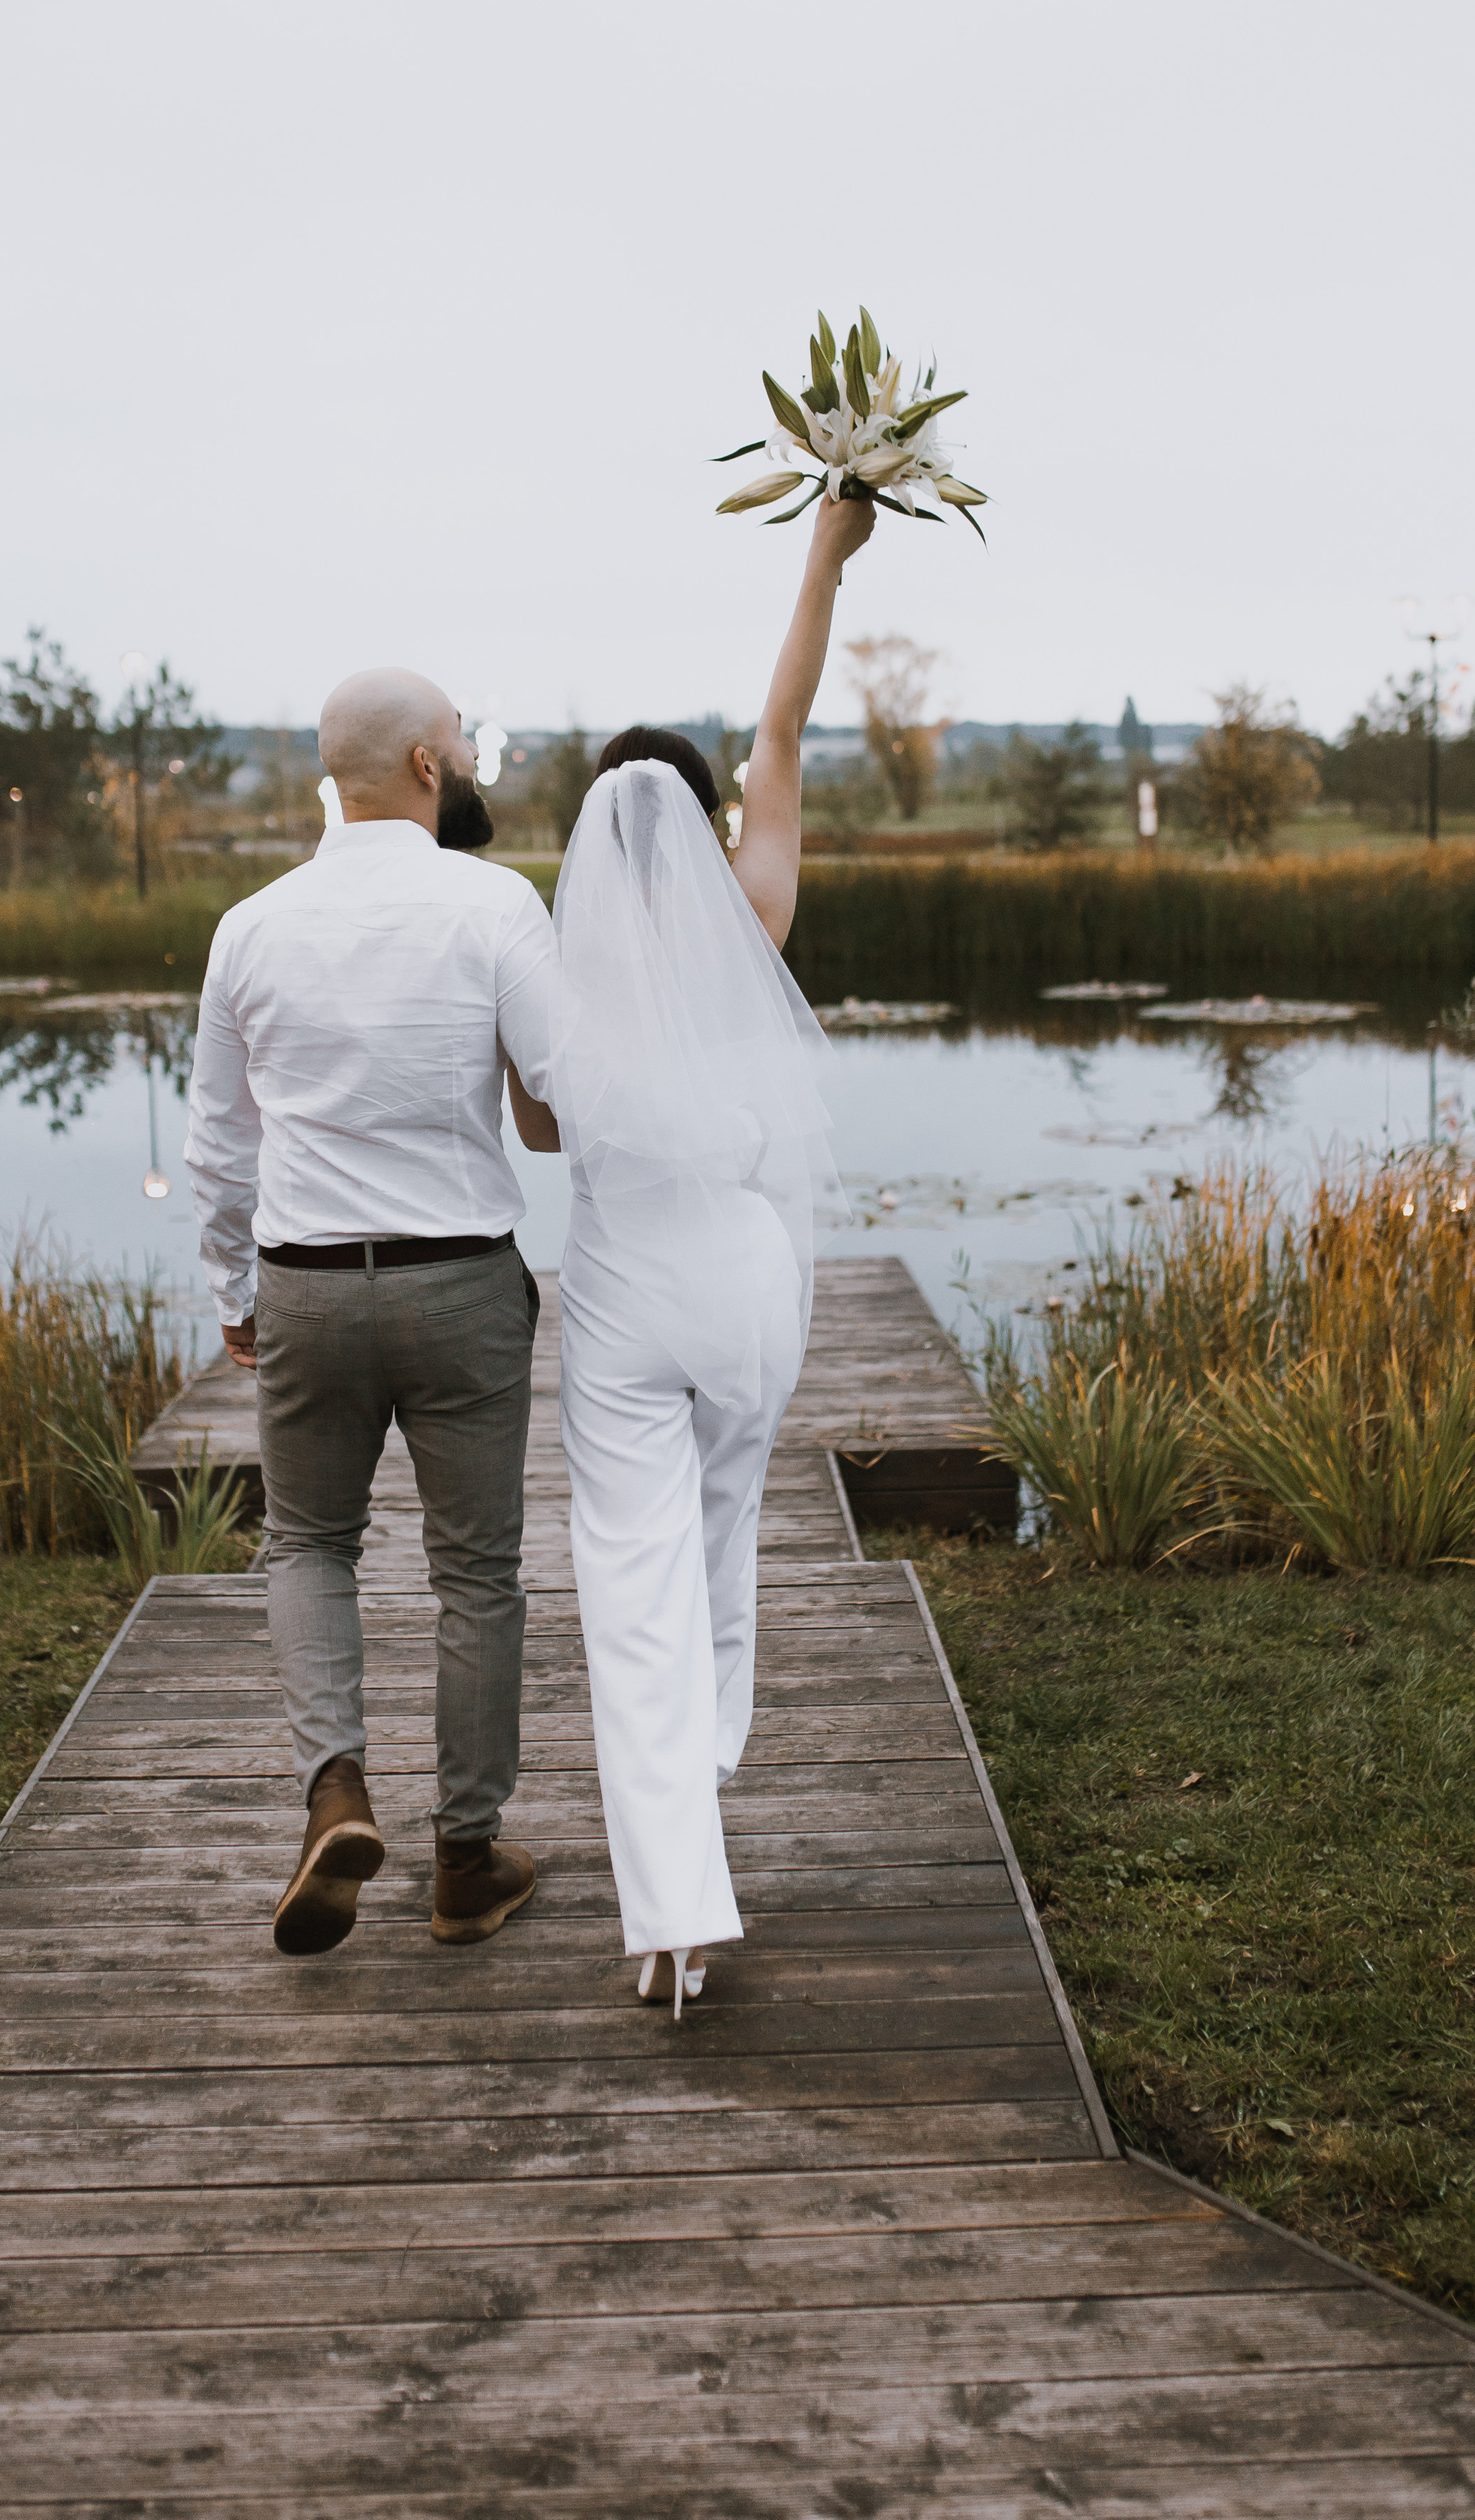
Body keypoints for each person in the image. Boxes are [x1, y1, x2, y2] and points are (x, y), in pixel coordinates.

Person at [510, 492, 874, 2015]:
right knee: (723, 1538)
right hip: (746, 1288)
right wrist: (825, 555)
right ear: (705, 819)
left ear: (592, 839)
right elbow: (782, 727)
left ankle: (672, 1914)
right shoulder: (751, 919)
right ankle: (710, 1765)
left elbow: (541, 1138)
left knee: (632, 1588)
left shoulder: (554, 972)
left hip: (624, 1295)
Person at [185, 669, 559, 1958]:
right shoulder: (496, 904)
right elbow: (563, 1091)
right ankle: (465, 1862)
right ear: (423, 765)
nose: (470, 762)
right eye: (460, 744)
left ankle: (337, 1794)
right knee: (477, 1576)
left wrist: (235, 1291)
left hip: (307, 1284)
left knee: (308, 1546)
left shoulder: (250, 928)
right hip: (461, 1283)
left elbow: (218, 1143)